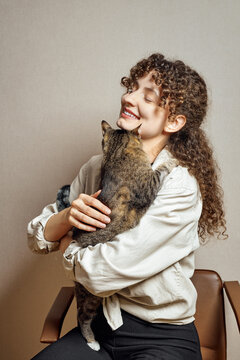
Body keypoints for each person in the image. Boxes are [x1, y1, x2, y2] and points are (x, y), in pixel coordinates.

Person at [27, 53, 227, 360]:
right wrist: (67, 216)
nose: (128, 98)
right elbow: (38, 236)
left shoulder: (179, 186)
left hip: (162, 338)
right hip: (98, 329)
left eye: (146, 96)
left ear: (174, 121)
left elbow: (101, 275)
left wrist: (67, 243)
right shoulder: (95, 167)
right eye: (130, 87)